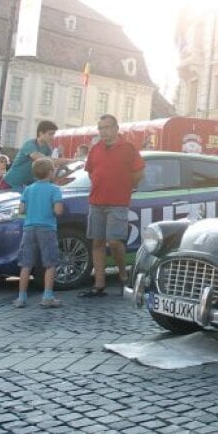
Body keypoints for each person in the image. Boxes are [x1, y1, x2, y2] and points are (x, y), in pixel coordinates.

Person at [81, 114, 145, 298]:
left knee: (115, 242)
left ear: (116, 128)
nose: (103, 132)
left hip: (118, 203)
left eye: (107, 127)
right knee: (98, 242)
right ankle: (99, 284)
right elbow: (91, 172)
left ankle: (123, 275)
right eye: (100, 128)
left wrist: (126, 186)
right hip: (96, 202)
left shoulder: (128, 148)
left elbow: (139, 173)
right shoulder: (96, 149)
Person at [14, 157, 65, 309]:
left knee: (26, 264)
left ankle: (21, 298)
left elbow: (21, 209)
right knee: (50, 264)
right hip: (47, 228)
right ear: (50, 172)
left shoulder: (29, 189)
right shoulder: (54, 189)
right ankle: (47, 296)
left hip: (29, 228)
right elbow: (58, 210)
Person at [2, 121, 69, 191]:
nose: (53, 137)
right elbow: (47, 160)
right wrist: (72, 160)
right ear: (41, 133)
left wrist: (61, 155)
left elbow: (52, 166)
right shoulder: (30, 144)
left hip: (26, 187)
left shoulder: (48, 149)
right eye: (50, 134)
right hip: (10, 184)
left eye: (53, 134)